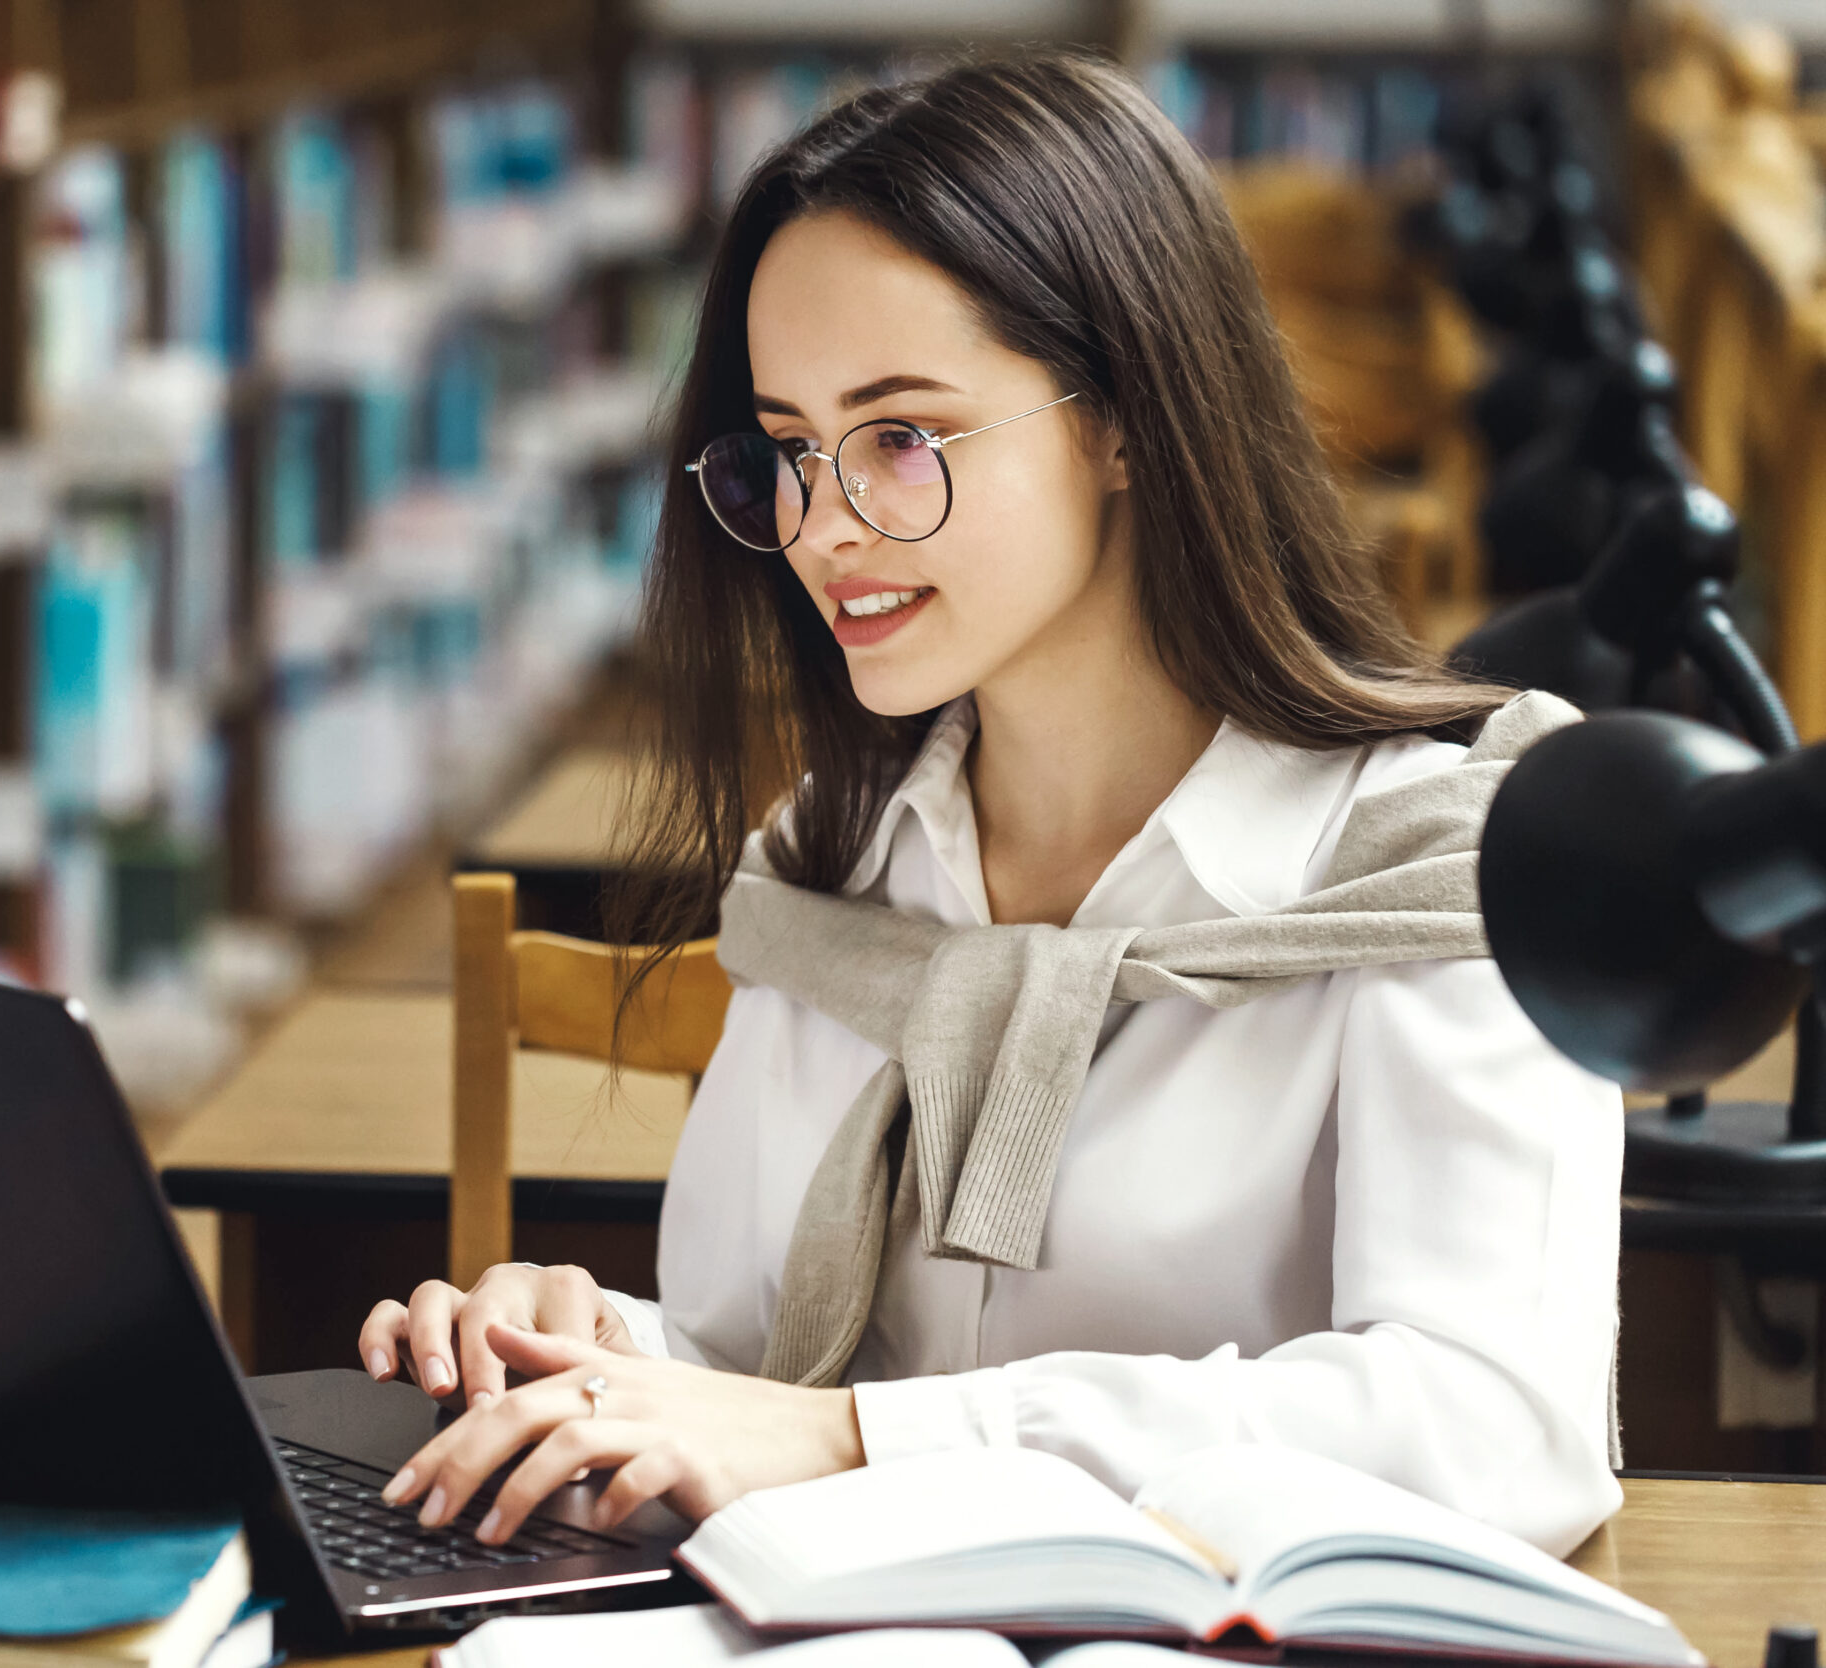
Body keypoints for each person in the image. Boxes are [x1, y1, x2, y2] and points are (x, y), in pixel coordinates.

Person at [360, 51, 1622, 1560]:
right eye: (789, 450)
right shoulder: (833, 864)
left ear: (1127, 419)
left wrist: (860, 1440)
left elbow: (1498, 1427)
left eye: (902, 437)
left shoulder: (1451, 866)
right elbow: (750, 1365)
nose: (824, 529)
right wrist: (588, 1356)